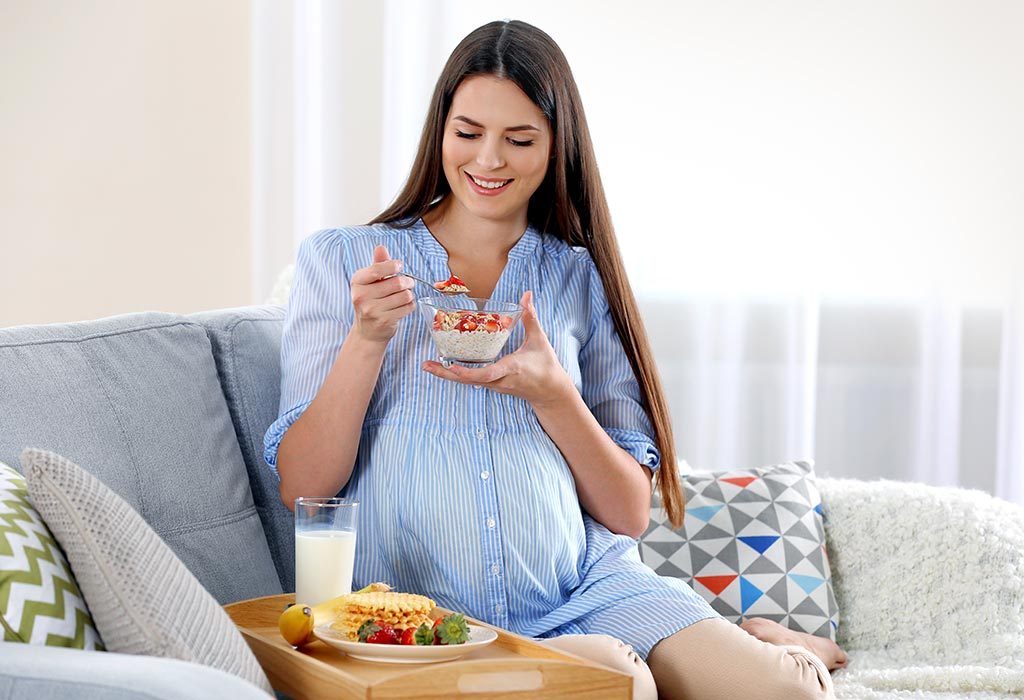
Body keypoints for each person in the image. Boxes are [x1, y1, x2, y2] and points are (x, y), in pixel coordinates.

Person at [265, 19, 847, 700]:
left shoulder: (576, 277)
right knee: (614, 680)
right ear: (440, 131)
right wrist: (367, 340)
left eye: (519, 140)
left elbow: (629, 513)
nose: (488, 161)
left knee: (790, 695)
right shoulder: (341, 260)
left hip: (590, 588)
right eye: (468, 132)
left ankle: (772, 644)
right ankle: (639, 662)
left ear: (555, 147)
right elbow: (303, 485)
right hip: (430, 617)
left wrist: (553, 396)